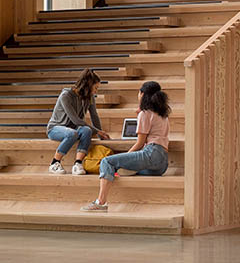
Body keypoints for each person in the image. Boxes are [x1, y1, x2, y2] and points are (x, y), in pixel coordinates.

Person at [81, 81, 171, 212]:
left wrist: (125, 156)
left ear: (142, 94)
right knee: (125, 170)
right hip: (162, 164)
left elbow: (140, 143)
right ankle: (121, 170)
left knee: (107, 161)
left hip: (151, 153)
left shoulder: (145, 114)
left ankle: (100, 202)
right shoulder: (163, 114)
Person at [46, 69, 110, 175]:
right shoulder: (66, 95)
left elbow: (94, 116)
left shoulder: (89, 97)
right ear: (88, 86)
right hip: (55, 128)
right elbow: (75, 120)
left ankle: (78, 163)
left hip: (73, 128)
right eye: (95, 88)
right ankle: (54, 163)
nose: (96, 91)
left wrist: (100, 134)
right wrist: (98, 132)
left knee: (87, 130)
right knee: (72, 133)